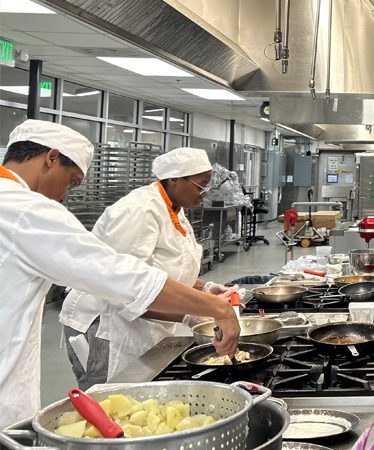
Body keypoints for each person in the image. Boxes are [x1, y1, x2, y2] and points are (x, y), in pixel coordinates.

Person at [0, 120, 239, 428]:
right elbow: (123, 276)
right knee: (111, 413)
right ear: (51, 158)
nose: (63, 196)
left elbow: (160, 268)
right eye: (71, 182)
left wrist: (201, 293)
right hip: (105, 328)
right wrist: (210, 309)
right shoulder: (24, 209)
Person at [60, 147, 234, 389]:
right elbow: (126, 288)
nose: (205, 192)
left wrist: (205, 288)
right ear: (174, 179)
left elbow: (164, 271)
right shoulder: (138, 211)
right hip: (107, 324)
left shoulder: (174, 210)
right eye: (200, 185)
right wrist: (188, 314)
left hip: (143, 322)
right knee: (110, 398)